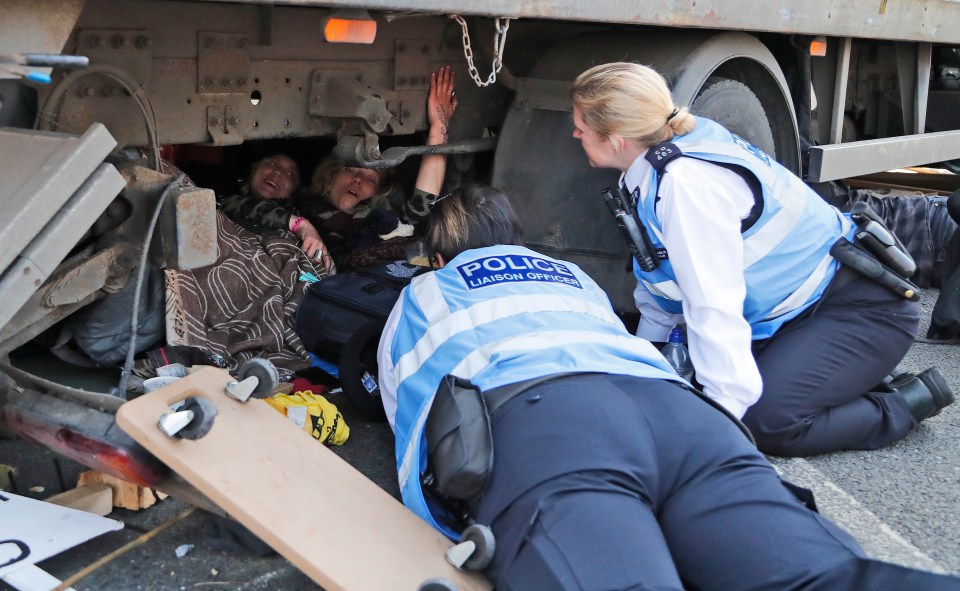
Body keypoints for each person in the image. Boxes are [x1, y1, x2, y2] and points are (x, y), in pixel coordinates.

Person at [376, 184, 960, 590]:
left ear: (439, 252)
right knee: (823, 578)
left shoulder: (423, 294)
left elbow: (411, 409)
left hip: (549, 428)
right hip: (679, 415)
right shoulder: (571, 277)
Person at [569, 61, 954, 457]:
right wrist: (648, 361)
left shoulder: (686, 187)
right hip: (792, 313)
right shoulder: (649, 170)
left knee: (764, 423)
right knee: (693, 385)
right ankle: (829, 374)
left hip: (859, 310)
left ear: (615, 138)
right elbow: (659, 276)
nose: (575, 132)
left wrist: (720, 426)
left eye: (581, 124)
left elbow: (713, 303)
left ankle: (905, 401)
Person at [293, 64, 458, 270]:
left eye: (371, 179)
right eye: (351, 170)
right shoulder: (298, 208)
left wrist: (439, 126)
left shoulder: (383, 222)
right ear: (330, 178)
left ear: (379, 192)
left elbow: (423, 202)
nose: (358, 179)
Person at [216, 153, 332, 273]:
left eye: (290, 174)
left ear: (294, 189)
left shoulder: (308, 218)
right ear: (255, 168)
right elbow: (235, 205)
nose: (278, 172)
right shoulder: (230, 202)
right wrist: (299, 224)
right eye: (273, 164)